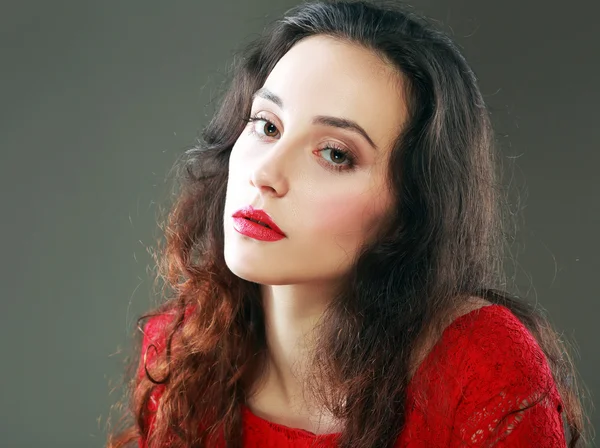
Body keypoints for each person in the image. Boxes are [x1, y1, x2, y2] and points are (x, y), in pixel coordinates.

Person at [107, 1, 589, 447]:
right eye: (267, 126)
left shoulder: (481, 372)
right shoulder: (180, 354)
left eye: (335, 154)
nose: (266, 174)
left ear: (410, 208)